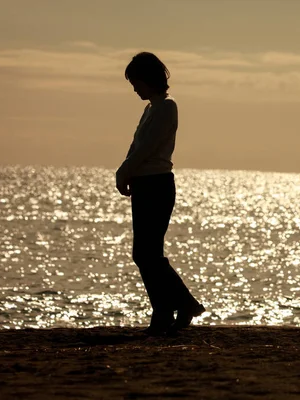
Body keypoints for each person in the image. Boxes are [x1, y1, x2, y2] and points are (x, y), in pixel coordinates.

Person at [115, 52, 205, 335]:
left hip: (156, 183)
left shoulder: (167, 107)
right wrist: (126, 171)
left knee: (146, 252)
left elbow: (148, 147)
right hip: (145, 183)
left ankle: (173, 307)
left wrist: (125, 169)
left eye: (136, 81)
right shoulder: (151, 109)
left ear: (148, 79)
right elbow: (136, 145)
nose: (134, 88)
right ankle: (173, 307)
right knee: (145, 253)